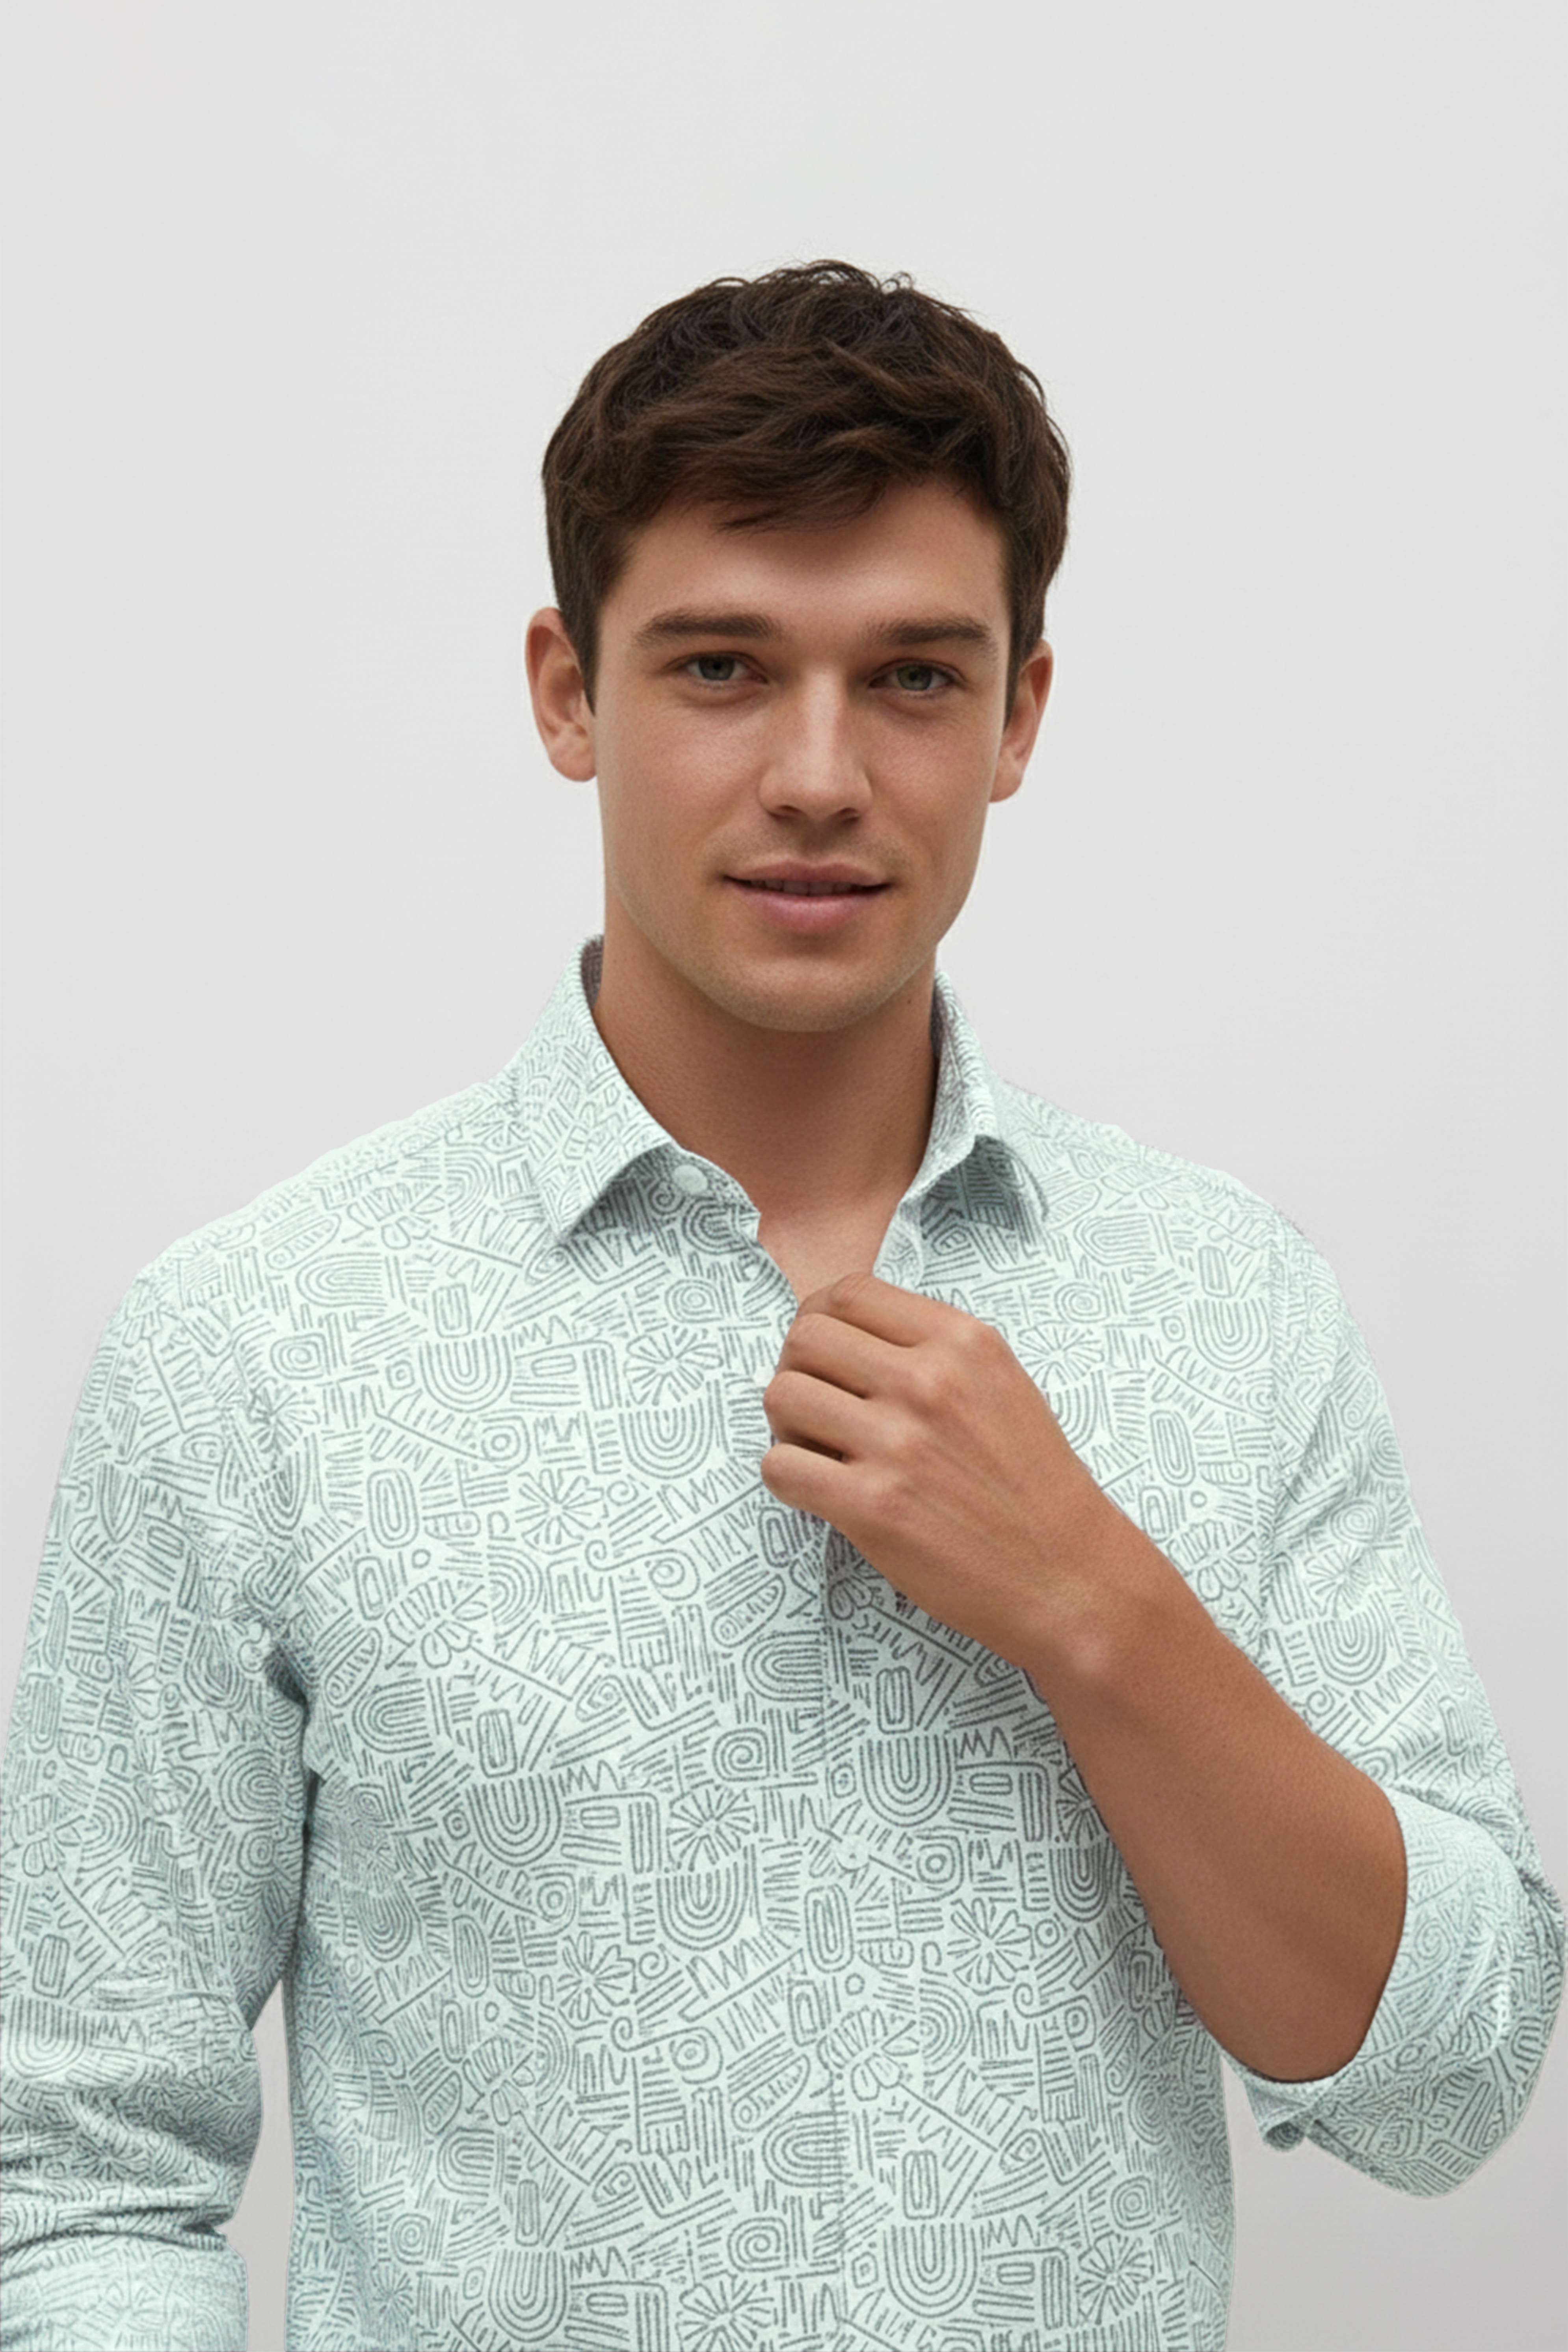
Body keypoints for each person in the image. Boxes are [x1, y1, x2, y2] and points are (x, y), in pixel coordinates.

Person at [1, 259, 1561, 2352]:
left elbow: (1452, 2088)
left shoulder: (1228, 1307)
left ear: (1018, 715)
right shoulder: (256, 1348)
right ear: (569, 692)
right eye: (723, 667)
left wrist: (1092, 1603)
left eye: (913, 676)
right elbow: (84, 2178)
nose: (820, 773)